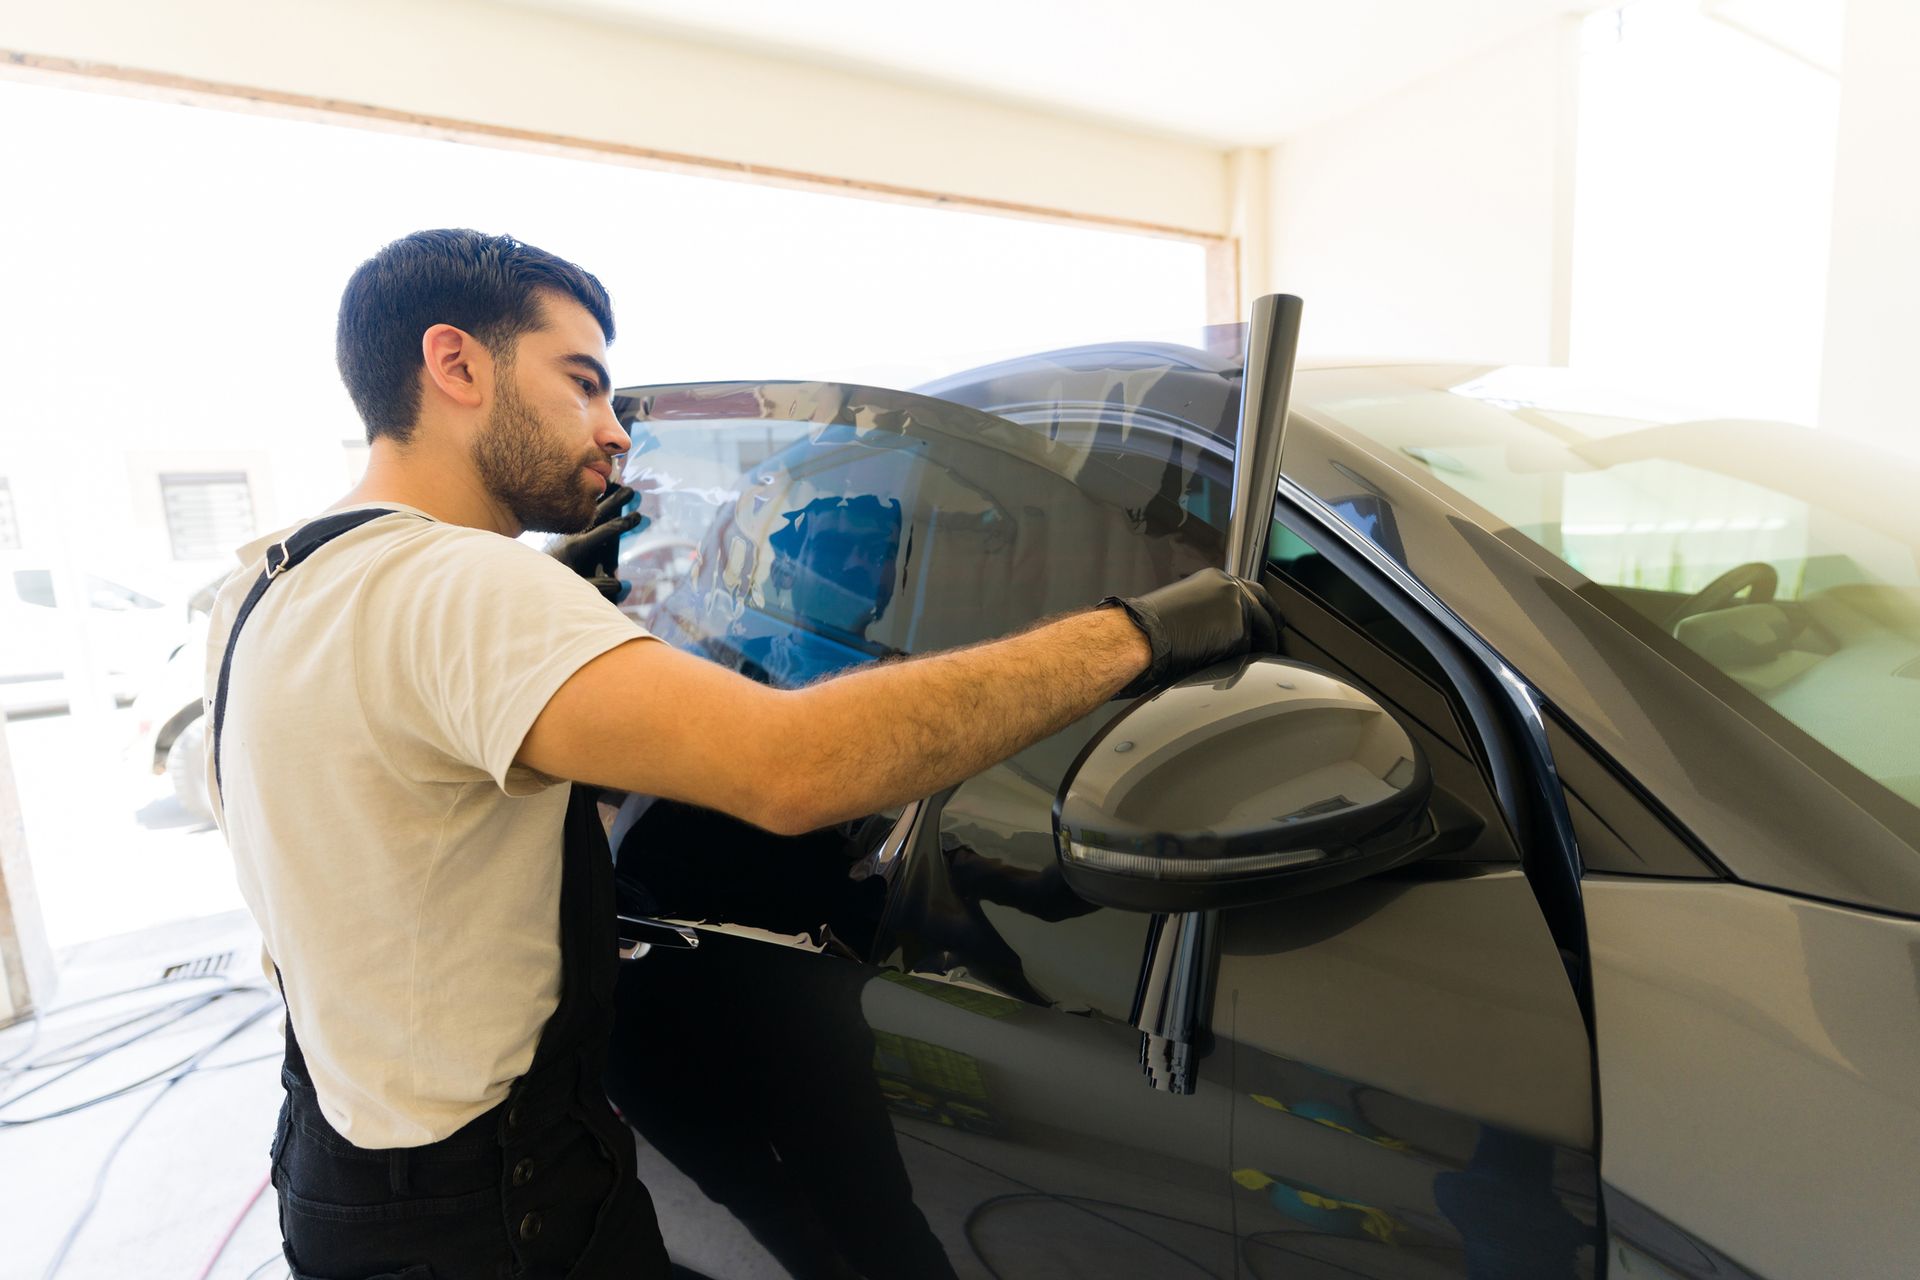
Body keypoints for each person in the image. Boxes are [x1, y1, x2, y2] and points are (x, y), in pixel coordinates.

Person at [206, 227, 1285, 1279]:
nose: (614, 431)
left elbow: (380, 818)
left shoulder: (268, 582)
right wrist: (1139, 632)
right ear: (454, 362)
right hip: (496, 1207)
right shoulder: (468, 590)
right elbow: (794, 768)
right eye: (581, 382)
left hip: (338, 1164)